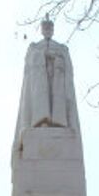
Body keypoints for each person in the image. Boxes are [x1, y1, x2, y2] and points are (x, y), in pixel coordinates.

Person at [13, 14, 80, 152]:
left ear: (53, 29)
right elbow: (28, 70)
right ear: (42, 30)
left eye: (50, 27)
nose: (48, 29)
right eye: (45, 27)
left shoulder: (61, 48)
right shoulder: (35, 47)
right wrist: (42, 56)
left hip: (57, 79)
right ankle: (41, 121)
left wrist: (56, 58)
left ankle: (59, 122)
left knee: (57, 101)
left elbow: (69, 69)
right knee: (41, 100)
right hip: (40, 80)